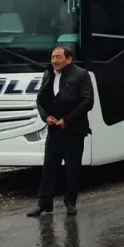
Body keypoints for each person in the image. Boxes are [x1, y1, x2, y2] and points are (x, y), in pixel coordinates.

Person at [27, 46, 93, 218]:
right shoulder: (48, 74)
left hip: (73, 130)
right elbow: (40, 99)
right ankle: (44, 203)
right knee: (49, 167)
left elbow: (88, 101)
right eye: (52, 57)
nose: (54, 60)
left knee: (72, 168)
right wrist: (46, 117)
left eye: (58, 57)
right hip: (54, 130)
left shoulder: (81, 75)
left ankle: (70, 202)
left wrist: (68, 119)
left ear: (68, 59)